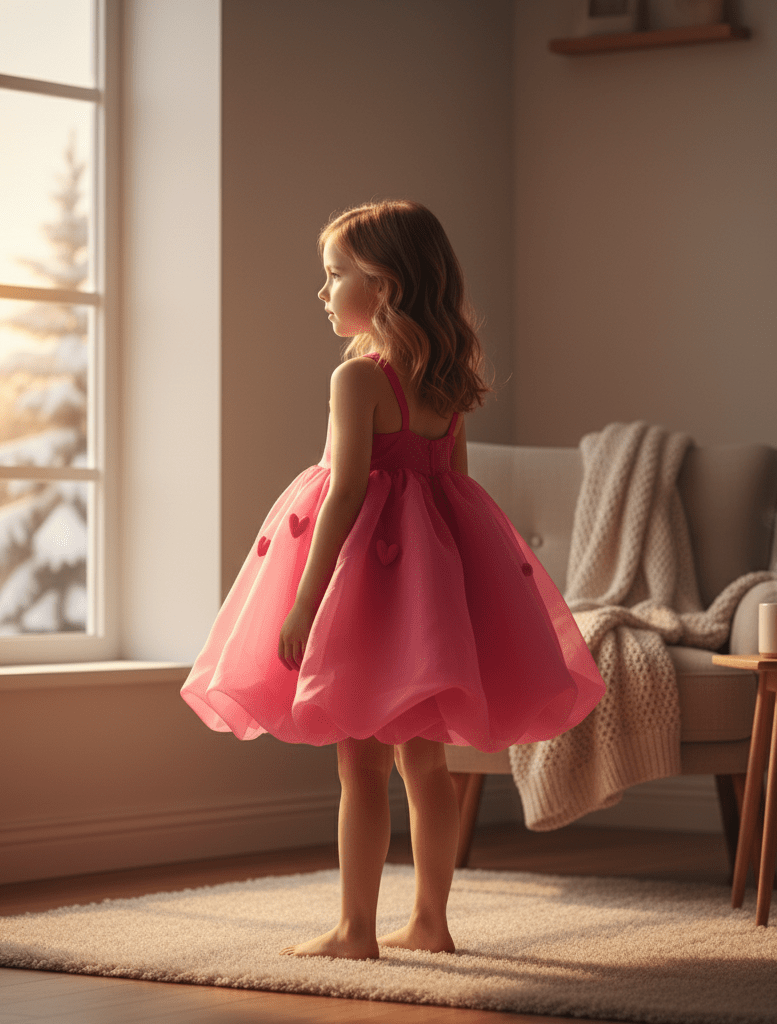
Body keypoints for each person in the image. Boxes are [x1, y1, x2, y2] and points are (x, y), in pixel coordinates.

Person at [181, 200, 605, 960]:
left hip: (366, 596)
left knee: (361, 766)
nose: (322, 291)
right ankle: (432, 922)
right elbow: (457, 490)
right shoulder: (446, 379)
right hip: (427, 597)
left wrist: (305, 603)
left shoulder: (359, 378)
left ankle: (355, 930)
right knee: (427, 763)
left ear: (382, 286)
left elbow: (345, 493)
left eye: (334, 274)